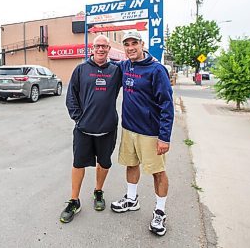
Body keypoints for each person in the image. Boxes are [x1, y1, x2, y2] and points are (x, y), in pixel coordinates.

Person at [110, 31, 174, 236]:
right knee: (131, 164)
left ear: (142, 44)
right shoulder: (125, 66)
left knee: (158, 172)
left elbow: (166, 105)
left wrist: (164, 136)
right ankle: (131, 199)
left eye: (134, 43)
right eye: (126, 44)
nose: (130, 47)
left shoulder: (157, 70)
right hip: (129, 128)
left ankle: (160, 211)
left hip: (150, 132)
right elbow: (107, 67)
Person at [60, 34, 122, 223]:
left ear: (109, 49)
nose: (101, 49)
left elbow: (136, 75)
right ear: (92, 48)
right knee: (78, 164)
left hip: (107, 129)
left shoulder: (116, 70)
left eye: (105, 46)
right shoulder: (81, 69)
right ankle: (74, 200)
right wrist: (79, 119)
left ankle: (98, 192)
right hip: (83, 130)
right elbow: (71, 97)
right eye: (98, 46)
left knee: (104, 163)